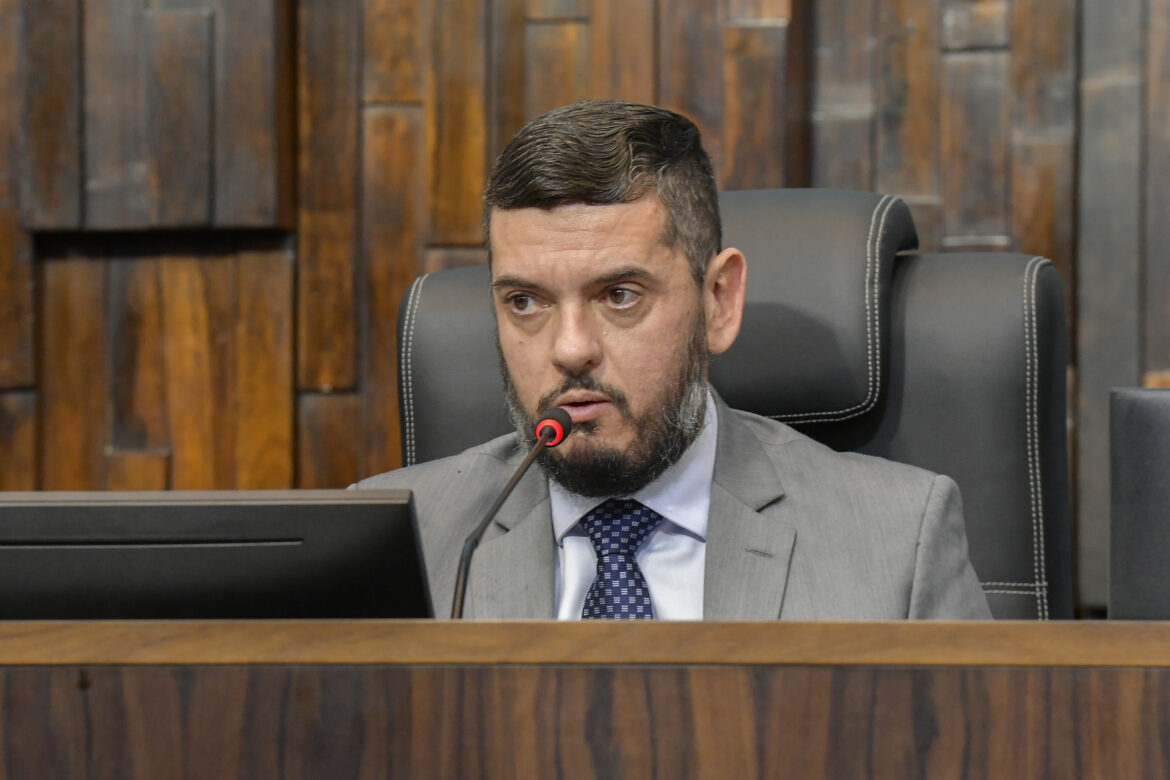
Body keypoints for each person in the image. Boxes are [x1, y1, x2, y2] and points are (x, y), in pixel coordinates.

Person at [354, 99, 992, 621]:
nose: (570, 348)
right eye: (525, 302)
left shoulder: (898, 539)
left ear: (718, 300)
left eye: (619, 295)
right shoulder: (397, 541)